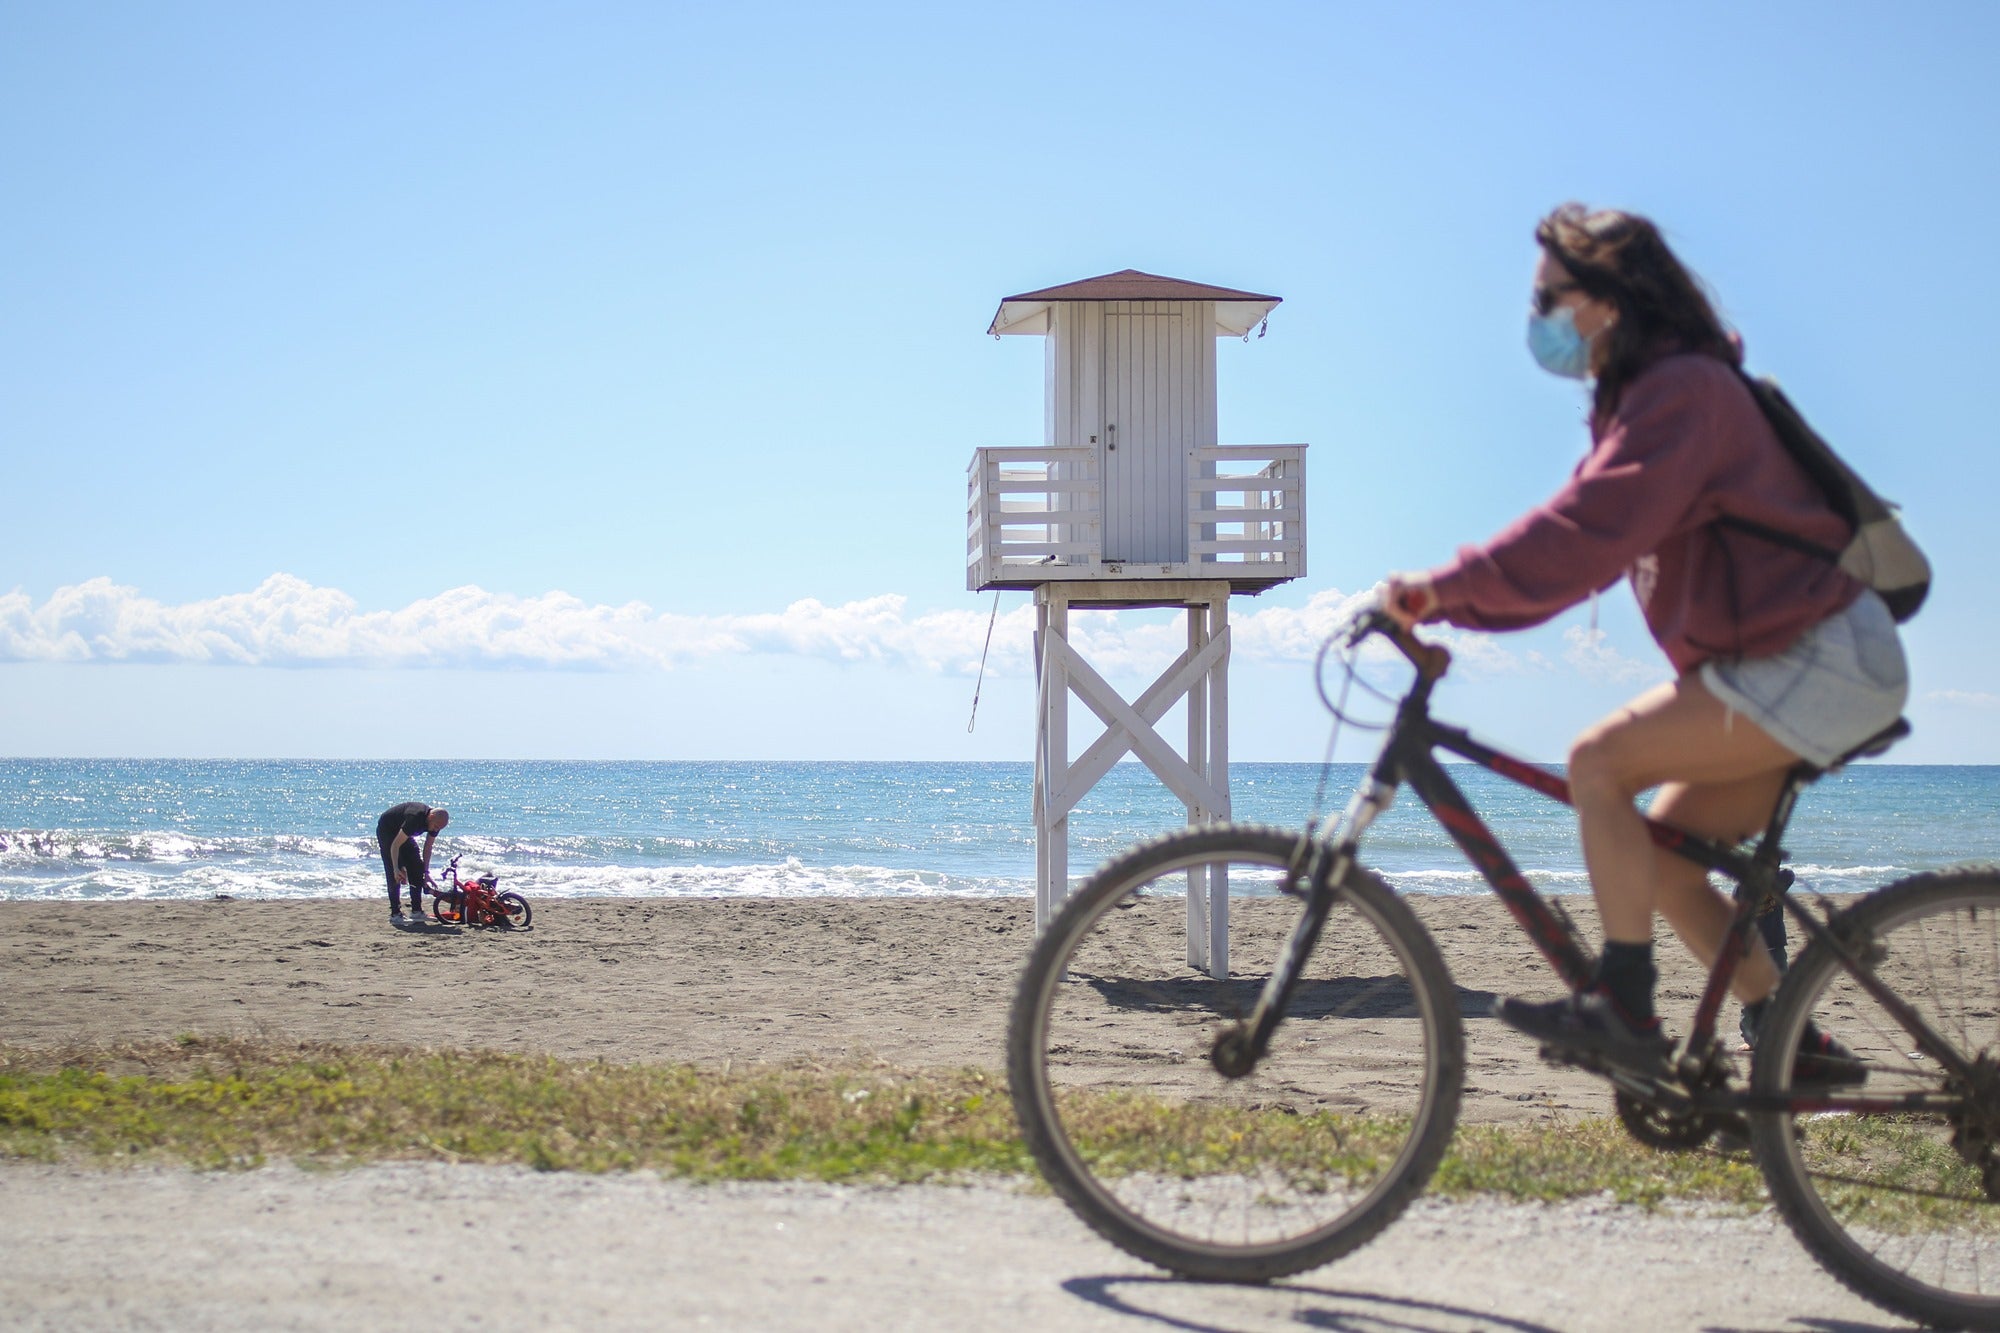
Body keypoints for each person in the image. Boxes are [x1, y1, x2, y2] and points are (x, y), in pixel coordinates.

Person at [1383, 203, 1908, 1080]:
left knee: (1596, 761)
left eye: (1550, 297)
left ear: (1608, 302)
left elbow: (1584, 530)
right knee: (1663, 859)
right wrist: (1460, 606)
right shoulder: (1647, 399)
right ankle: (1792, 1041)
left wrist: (1444, 589)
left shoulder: (1684, 393)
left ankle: (1623, 1005)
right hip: (1786, 661)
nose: (1536, 318)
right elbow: (1583, 555)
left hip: (1818, 656)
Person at [375, 801, 448, 923]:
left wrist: (426, 872)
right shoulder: (414, 818)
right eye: (435, 827)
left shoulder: (437, 823)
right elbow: (395, 846)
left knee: (417, 868)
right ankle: (395, 914)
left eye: (438, 829)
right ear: (431, 817)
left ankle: (416, 912)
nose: (435, 830)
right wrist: (396, 868)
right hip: (387, 831)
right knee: (395, 875)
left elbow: (428, 847)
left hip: (404, 834)